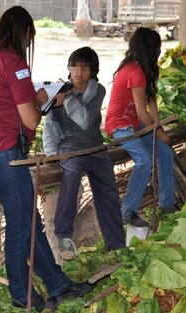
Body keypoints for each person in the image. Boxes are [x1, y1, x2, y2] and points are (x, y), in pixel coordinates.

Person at [0, 6, 93, 311]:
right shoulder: (13, 63)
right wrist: (41, 99)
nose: (28, 45)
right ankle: (21, 293)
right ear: (24, 33)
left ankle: (57, 284)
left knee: (29, 222)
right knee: (21, 227)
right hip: (6, 155)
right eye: (29, 39)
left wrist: (33, 100)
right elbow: (31, 121)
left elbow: (2, 104)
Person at [43, 47, 125, 260]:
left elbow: (86, 119)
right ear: (69, 68)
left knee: (107, 190)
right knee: (70, 175)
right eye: (74, 66)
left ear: (93, 71)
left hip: (95, 147)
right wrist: (51, 153)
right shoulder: (58, 91)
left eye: (84, 67)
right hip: (70, 147)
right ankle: (64, 236)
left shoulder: (97, 90)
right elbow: (50, 125)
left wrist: (69, 99)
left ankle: (116, 244)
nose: (78, 72)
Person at [104, 27, 178, 229]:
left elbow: (152, 104)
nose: (160, 51)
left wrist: (159, 130)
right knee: (144, 160)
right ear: (150, 49)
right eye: (158, 47)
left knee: (165, 154)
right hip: (119, 126)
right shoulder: (134, 72)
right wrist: (159, 132)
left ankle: (167, 203)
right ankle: (128, 211)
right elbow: (141, 113)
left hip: (136, 127)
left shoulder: (145, 70)